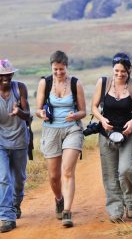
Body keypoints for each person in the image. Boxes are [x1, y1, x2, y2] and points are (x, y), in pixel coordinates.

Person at [91, 52, 132, 222]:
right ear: (112, 70)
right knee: (110, 174)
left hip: (127, 134)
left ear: (129, 70)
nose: (119, 74)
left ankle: (130, 202)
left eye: (123, 71)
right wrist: (102, 120)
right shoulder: (103, 83)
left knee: (125, 169)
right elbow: (93, 107)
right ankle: (115, 209)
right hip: (106, 134)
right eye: (116, 71)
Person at [36, 50, 86, 227]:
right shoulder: (45, 83)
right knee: (54, 176)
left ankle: (67, 211)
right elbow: (37, 109)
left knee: (67, 171)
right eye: (55, 69)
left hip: (72, 129)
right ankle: (59, 199)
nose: (58, 73)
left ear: (67, 67)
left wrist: (75, 116)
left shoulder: (75, 84)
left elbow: (83, 111)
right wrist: (41, 113)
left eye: (61, 69)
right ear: (51, 67)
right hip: (50, 131)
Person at [0, 59, 30, 233]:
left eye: (9, 74)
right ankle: (6, 216)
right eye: (2, 75)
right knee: (4, 178)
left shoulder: (20, 88)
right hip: (1, 142)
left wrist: (19, 112)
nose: (6, 78)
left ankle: (15, 205)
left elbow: (28, 116)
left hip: (19, 140)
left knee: (19, 180)